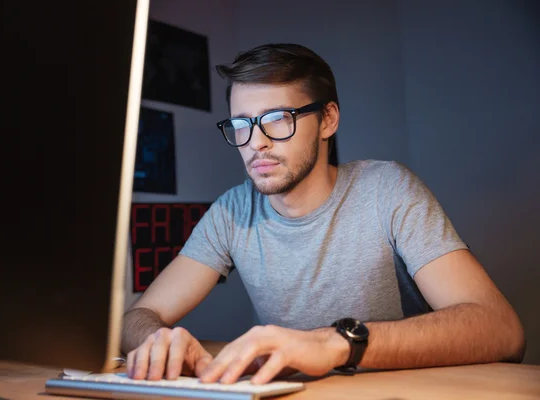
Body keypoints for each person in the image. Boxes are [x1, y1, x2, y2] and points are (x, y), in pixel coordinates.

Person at [122, 43, 525, 385]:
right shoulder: (232, 211)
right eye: (242, 124)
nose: (256, 143)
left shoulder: (387, 190)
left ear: (327, 119)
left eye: (278, 119)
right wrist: (156, 338)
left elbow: (501, 329)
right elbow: (136, 317)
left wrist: (336, 342)